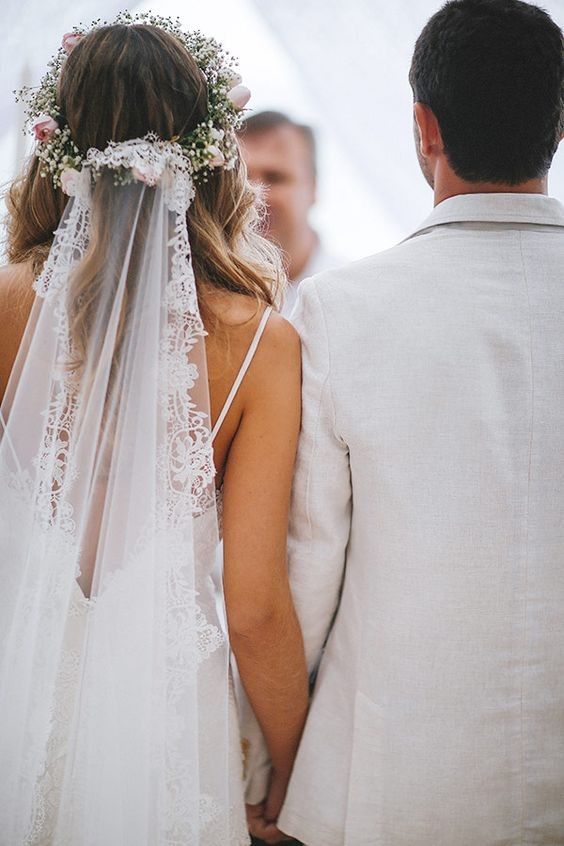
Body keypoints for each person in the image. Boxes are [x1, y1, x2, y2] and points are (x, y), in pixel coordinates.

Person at [247, 0, 564, 843]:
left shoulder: (343, 311)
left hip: (394, 783)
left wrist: (273, 761)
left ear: (423, 126)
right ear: (557, 123)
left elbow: (308, 563)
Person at [0, 17, 308, 845]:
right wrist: (292, 767)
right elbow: (253, 605)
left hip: (15, 696)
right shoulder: (261, 345)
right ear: (210, 154)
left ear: (58, 146)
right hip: (166, 720)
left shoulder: (4, 306)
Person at [239, 111, 340, 316]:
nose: (254, 196)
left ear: (312, 188)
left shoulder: (348, 290)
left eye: (274, 178)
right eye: (242, 179)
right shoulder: (199, 295)